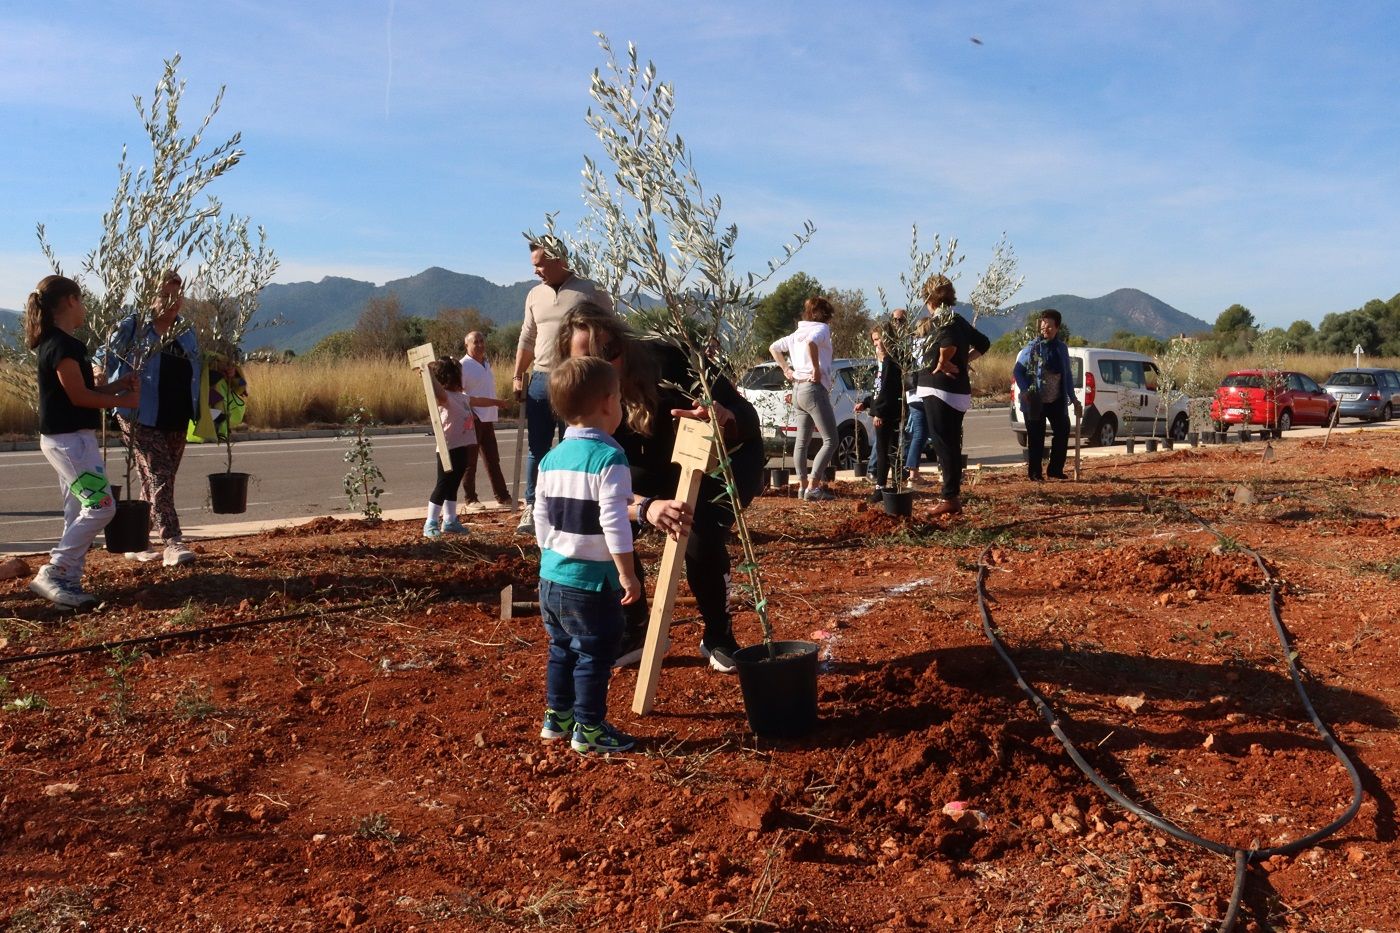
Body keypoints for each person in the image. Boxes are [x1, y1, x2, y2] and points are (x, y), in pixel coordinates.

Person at [556, 305, 765, 674]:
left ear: (624, 345)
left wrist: (724, 418)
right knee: (601, 518)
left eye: (608, 353)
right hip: (651, 471)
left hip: (720, 460)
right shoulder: (581, 400)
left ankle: (718, 633)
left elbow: (747, 418)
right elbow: (591, 483)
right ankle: (634, 629)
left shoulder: (673, 361)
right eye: (586, 364)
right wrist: (644, 507)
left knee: (698, 526)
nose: (601, 369)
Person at [534, 356, 642, 754]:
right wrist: (627, 574)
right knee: (595, 652)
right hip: (591, 583)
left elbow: (540, 517)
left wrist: (552, 553)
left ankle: (557, 718)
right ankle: (590, 729)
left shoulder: (551, 459)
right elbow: (614, 521)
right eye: (619, 398)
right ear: (606, 404)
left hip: (552, 577)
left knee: (561, 648)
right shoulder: (610, 459)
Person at [25, 275, 140, 608]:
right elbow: (78, 397)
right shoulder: (64, 346)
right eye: (83, 300)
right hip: (71, 443)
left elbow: (78, 392)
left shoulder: (56, 342)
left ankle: (68, 582)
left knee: (77, 509)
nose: (86, 307)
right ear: (71, 301)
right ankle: (55, 571)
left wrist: (116, 388)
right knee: (102, 507)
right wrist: (124, 402)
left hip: (69, 441)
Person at [512, 238, 614, 535]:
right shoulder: (533, 295)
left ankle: (578, 505)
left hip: (576, 378)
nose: (536, 270)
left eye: (540, 264)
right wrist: (518, 374)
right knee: (537, 448)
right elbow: (527, 338)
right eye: (534, 265)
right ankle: (533, 506)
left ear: (560, 260)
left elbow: (610, 330)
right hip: (541, 380)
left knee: (576, 443)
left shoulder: (590, 290)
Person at [100, 270, 202, 566]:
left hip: (178, 415)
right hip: (138, 414)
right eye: (165, 294)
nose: (172, 301)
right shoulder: (132, 327)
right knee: (159, 474)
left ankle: (136, 539)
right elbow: (102, 355)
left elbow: (198, 364)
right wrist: (98, 372)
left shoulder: (186, 330)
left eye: (177, 294)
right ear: (150, 297)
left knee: (161, 479)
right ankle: (172, 542)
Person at [918, 275, 990, 518]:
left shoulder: (942, 320)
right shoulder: (957, 319)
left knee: (943, 443)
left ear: (930, 299)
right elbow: (984, 342)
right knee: (949, 443)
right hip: (956, 390)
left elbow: (947, 344)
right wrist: (963, 359)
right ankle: (951, 494)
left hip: (939, 389)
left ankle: (949, 497)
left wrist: (944, 361)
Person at [769, 296, 838, 501]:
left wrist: (786, 369)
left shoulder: (796, 333)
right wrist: (816, 369)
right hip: (813, 388)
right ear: (825, 315)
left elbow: (773, 347)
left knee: (802, 441)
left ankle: (802, 486)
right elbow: (811, 342)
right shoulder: (821, 329)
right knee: (831, 440)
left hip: (797, 389)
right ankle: (813, 488)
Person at [1013, 308, 1082, 481]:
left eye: (1049, 326)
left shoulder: (1061, 349)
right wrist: (1026, 390)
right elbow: (1018, 371)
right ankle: (1035, 474)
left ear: (1057, 328)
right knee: (1036, 438)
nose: (1045, 329)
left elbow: (1066, 375)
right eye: (1043, 325)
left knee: (1063, 431)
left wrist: (1073, 399)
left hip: (1056, 400)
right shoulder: (1033, 347)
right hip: (1034, 401)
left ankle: (1055, 470)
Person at [421, 357, 477, 538]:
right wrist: (427, 373)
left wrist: (497, 403)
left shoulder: (461, 397)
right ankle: (430, 522)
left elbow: (477, 400)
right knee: (443, 484)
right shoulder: (445, 398)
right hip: (448, 448)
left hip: (462, 446)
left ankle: (450, 520)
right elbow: (438, 391)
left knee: (453, 485)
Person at [459, 331, 514, 511]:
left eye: (482, 341)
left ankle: (503, 497)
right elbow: (459, 394)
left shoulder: (486, 363)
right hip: (473, 418)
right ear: (467, 345)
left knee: (492, 459)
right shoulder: (463, 365)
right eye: (476, 342)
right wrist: (470, 413)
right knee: (470, 461)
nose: (480, 345)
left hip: (488, 418)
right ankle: (470, 499)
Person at [854, 322, 902, 503]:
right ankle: (891, 486)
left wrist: (879, 412)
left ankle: (881, 487)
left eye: (877, 340)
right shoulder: (882, 362)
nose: (875, 344)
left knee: (885, 450)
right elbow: (878, 388)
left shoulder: (891, 362)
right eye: (873, 340)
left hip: (887, 412)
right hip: (882, 410)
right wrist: (866, 403)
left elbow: (889, 389)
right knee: (887, 449)